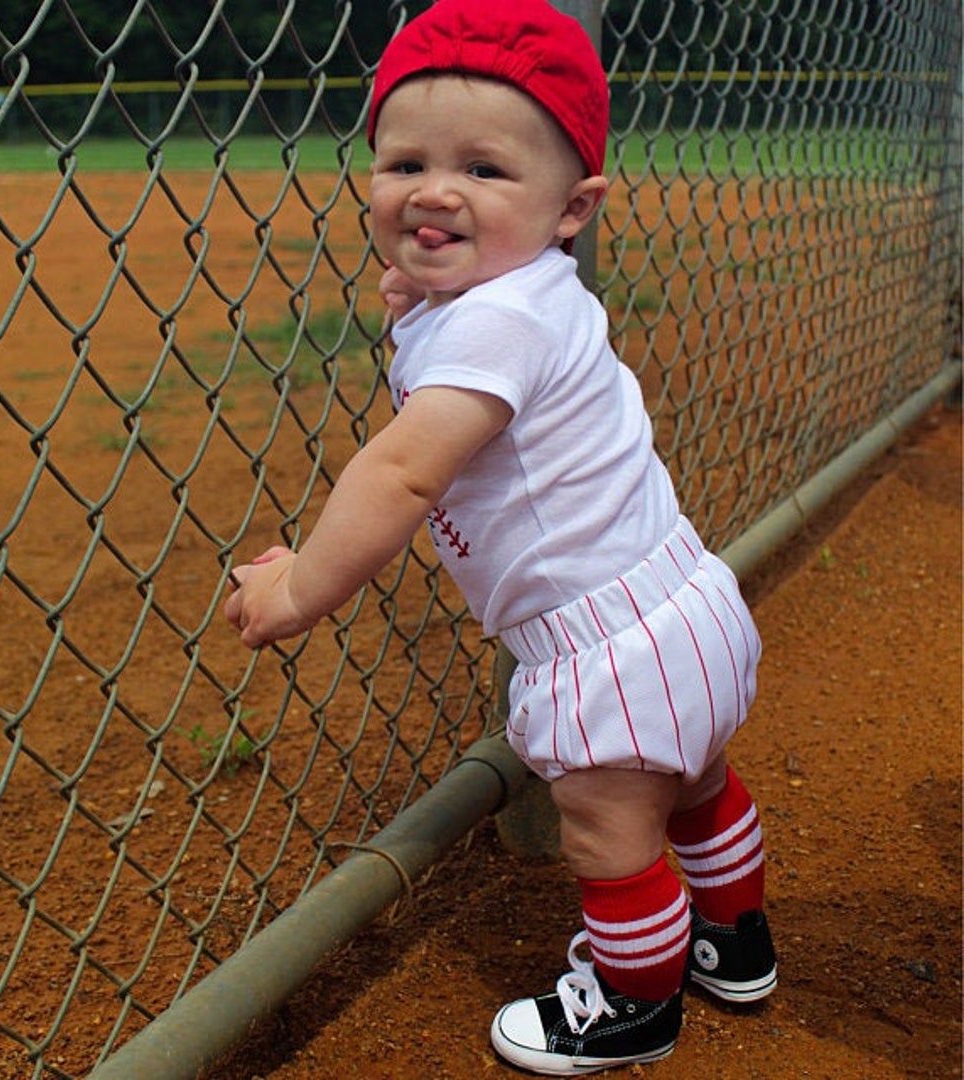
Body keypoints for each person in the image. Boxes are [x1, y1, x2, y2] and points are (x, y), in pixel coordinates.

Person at [224, 0, 777, 1073]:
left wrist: (298, 589)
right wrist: (421, 296)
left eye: (483, 170)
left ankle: (632, 1005)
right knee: (701, 787)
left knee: (607, 833)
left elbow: (404, 467)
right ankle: (734, 940)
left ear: (573, 206)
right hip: (683, 602)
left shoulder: (492, 323)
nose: (433, 191)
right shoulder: (534, 289)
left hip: (606, 651)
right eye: (404, 162)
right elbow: (476, 321)